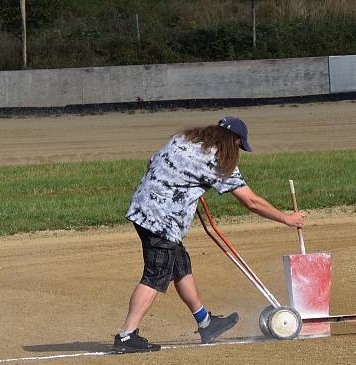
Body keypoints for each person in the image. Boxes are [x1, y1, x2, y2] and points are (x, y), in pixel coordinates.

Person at [114, 116, 305, 352]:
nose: (238, 152)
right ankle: (126, 335)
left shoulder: (183, 139)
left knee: (180, 265)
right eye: (239, 146)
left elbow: (151, 162)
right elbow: (251, 202)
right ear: (233, 141)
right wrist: (287, 219)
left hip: (142, 209)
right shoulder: (219, 160)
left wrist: (185, 185)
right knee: (156, 275)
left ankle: (206, 323)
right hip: (161, 221)